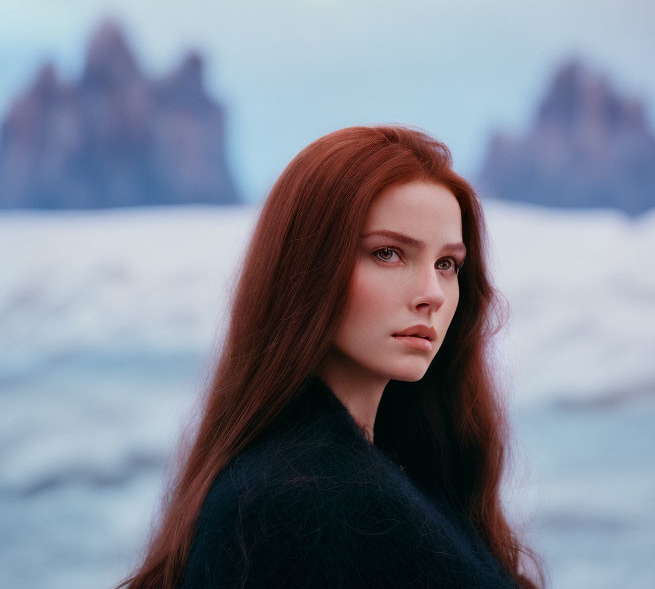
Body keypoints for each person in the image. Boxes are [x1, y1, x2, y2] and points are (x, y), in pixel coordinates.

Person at [115, 124, 547, 589]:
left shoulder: (409, 471)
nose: (432, 294)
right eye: (388, 253)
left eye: (447, 264)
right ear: (308, 267)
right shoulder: (290, 505)